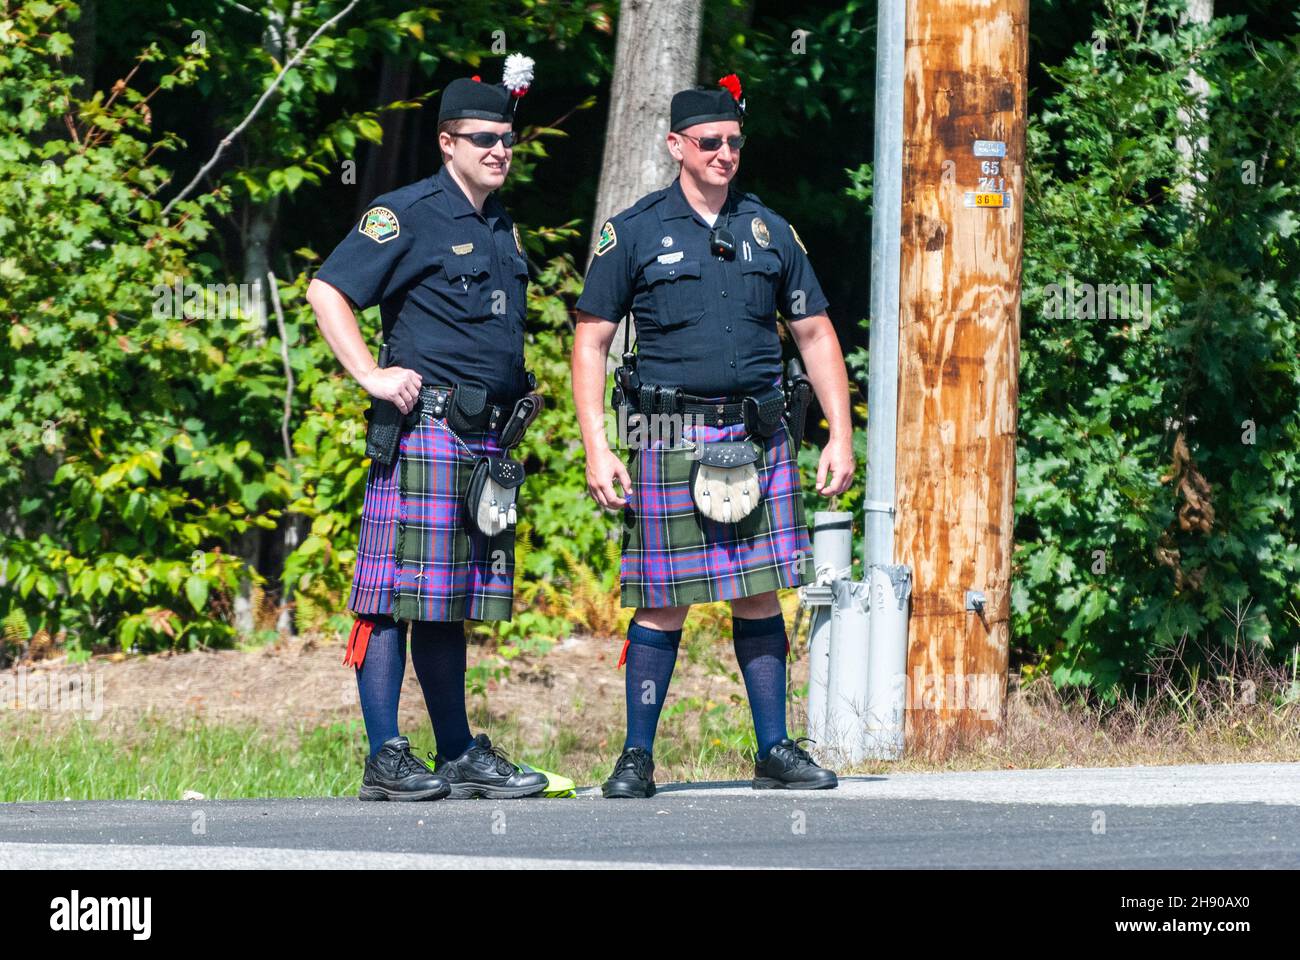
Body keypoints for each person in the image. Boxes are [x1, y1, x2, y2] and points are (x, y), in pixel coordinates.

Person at [572, 75, 856, 798]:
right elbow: (591, 340)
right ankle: (637, 756)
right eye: (710, 142)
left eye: (733, 141)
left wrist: (839, 435)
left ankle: (774, 749)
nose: (725, 153)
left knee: (760, 593)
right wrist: (597, 445)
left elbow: (815, 333)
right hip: (669, 433)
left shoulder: (769, 230)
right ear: (676, 147)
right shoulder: (633, 231)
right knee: (662, 598)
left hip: (757, 433)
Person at [307, 55, 547, 801]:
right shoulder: (406, 212)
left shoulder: (500, 224)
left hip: (484, 443)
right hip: (426, 432)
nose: (498, 150)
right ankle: (386, 756)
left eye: (507, 138)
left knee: (448, 600)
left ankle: (456, 752)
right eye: (482, 139)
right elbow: (326, 288)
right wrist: (369, 375)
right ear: (447, 142)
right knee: (389, 597)